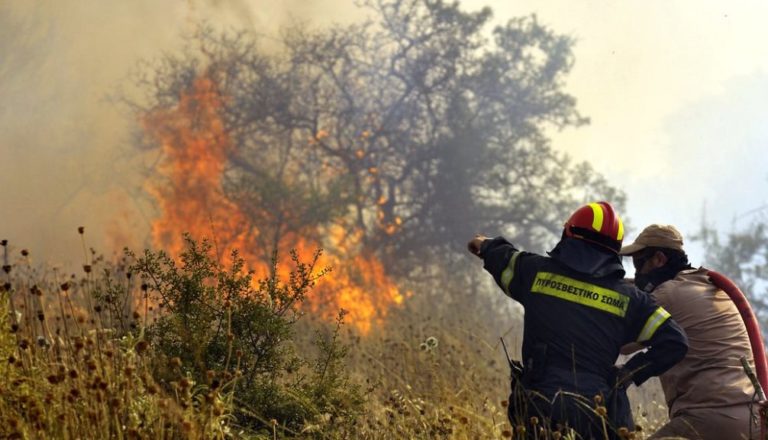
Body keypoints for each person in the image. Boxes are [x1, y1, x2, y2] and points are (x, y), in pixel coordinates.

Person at [468, 202, 688, 439]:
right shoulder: (633, 300)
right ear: (615, 251)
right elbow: (675, 342)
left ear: (569, 235)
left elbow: (496, 252)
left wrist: (483, 244)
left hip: (539, 410)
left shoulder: (533, 272)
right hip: (599, 412)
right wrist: (628, 373)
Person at [620, 224, 760, 439]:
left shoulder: (667, 295)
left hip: (708, 419)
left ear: (658, 259)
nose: (637, 272)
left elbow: (622, 343)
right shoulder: (708, 286)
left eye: (639, 263)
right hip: (753, 419)